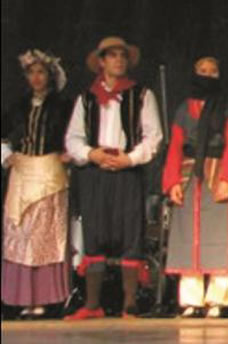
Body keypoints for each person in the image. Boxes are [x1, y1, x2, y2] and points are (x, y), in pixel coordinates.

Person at [64, 37, 164, 319]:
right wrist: (91, 154)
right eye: (112, 55)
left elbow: (154, 136)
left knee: (130, 234)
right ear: (102, 62)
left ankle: (129, 303)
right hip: (95, 174)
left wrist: (129, 158)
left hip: (127, 172)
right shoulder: (87, 98)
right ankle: (92, 304)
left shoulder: (141, 95)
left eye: (122, 56)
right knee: (94, 234)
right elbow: (73, 138)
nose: (118, 60)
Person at [161, 57, 228, 318]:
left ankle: (217, 299)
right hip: (188, 175)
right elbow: (175, 146)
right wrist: (172, 182)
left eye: (213, 71)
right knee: (188, 234)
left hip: (217, 173)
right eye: (202, 71)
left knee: (218, 234)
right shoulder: (183, 109)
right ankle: (191, 299)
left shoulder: (227, 108)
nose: (207, 75)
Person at [1, 50, 72, 318]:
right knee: (21, 233)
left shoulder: (62, 106)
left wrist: (69, 154)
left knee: (45, 236)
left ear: (50, 76)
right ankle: (21, 299)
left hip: (50, 173)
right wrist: (6, 156)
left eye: (41, 72)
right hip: (22, 173)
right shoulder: (18, 106)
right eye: (31, 73)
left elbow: (75, 136)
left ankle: (44, 298)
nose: (36, 77)